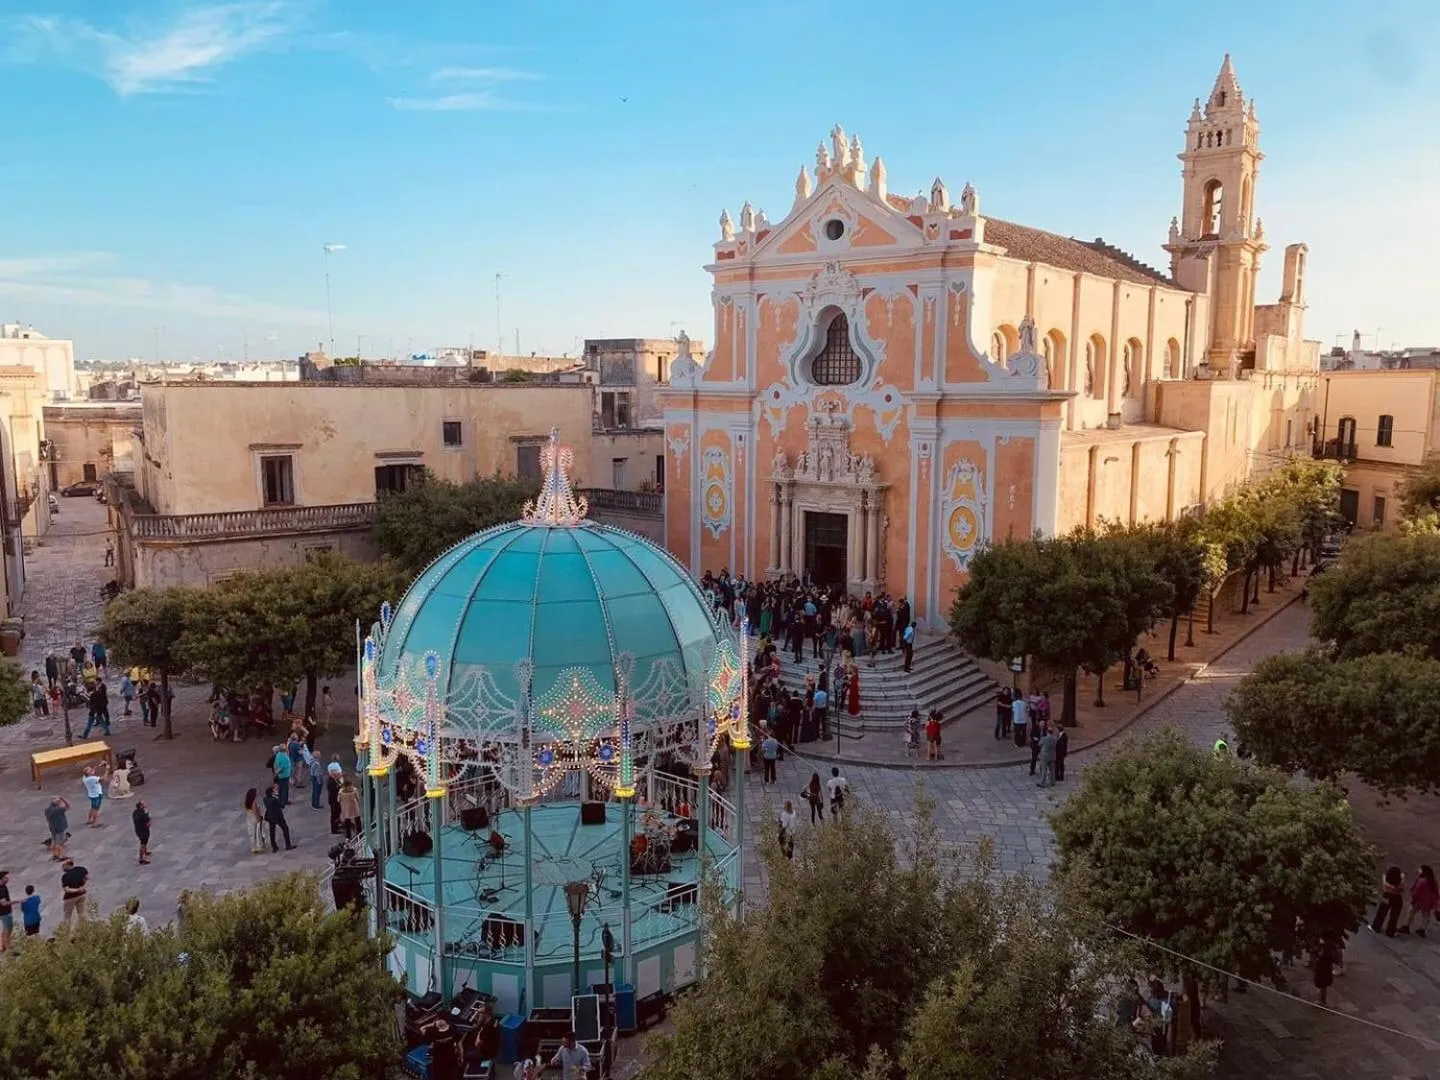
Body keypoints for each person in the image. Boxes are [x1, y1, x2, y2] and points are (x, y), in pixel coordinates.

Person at [1401, 865, 1436, 937]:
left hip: (1418, 900)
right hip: (1428, 902)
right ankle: (1422, 929)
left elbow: (1417, 891)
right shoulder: (1433, 882)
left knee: (1411, 912)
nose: (1418, 870)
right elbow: (1436, 893)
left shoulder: (1422, 881)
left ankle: (1406, 926)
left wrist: (1413, 898)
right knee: (1426, 915)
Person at [1371, 866, 1405, 937]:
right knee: (1394, 915)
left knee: (1382, 912)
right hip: (1397, 898)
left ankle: (1376, 927)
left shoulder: (1386, 879)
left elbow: (1385, 887)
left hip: (1387, 896)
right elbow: (1402, 890)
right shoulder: (1400, 882)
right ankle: (1390, 931)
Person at [263, 783, 296, 852]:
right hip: (278, 817)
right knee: (285, 828)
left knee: (272, 831)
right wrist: (278, 796)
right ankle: (288, 845)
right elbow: (281, 805)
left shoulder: (265, 799)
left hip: (270, 816)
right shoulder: (274, 800)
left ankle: (274, 846)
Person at [1313, 928, 1339, 1005]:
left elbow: (1321, 955)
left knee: (1322, 984)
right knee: (1323, 985)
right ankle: (1322, 997)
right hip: (1326, 968)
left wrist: (1317, 952)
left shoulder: (1327, 947)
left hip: (1323, 968)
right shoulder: (1332, 947)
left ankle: (1322, 1000)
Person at [59, 859, 88, 927]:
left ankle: (66, 933)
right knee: (81, 913)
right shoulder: (81, 869)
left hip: (70, 898)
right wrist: (82, 887)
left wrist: (77, 890)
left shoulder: (65, 876)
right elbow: (86, 878)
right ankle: (84, 929)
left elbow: (67, 889)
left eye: (63, 866)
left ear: (68, 865)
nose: (62, 868)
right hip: (82, 895)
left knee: (67, 916)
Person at [244, 787, 266, 854]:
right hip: (254, 819)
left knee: (252, 833)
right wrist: (259, 819)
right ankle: (258, 846)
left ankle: (253, 847)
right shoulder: (253, 803)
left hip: (249, 819)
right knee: (257, 833)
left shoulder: (246, 802)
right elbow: (255, 812)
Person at [132, 799, 152, 864]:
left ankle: (145, 852)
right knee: (143, 843)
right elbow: (148, 824)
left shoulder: (135, 812)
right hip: (144, 831)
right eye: (143, 804)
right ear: (141, 806)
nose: (145, 805)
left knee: (144, 842)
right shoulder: (143, 814)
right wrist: (148, 816)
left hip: (138, 830)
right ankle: (141, 859)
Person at [0, 870, 12, 953]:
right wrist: (16, 901)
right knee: (8, 929)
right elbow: (3, 903)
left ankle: (2, 946)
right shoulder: (1, 890)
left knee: (5, 929)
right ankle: (8, 950)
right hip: (5, 912)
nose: (7, 878)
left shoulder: (4, 887)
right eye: (5, 877)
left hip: (4, 912)